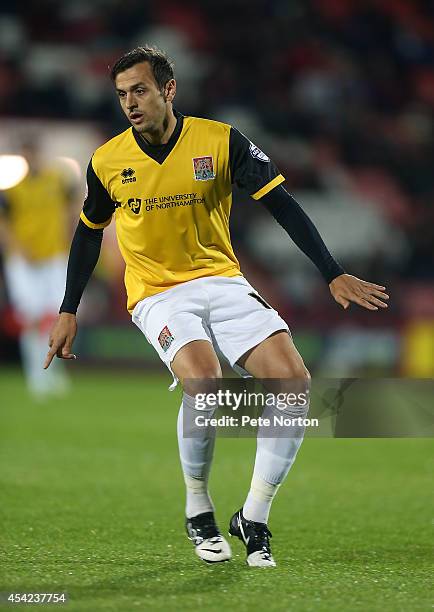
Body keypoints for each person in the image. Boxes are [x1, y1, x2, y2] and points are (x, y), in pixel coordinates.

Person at [44, 47, 389, 567]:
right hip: (157, 292)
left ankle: (254, 515)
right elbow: (88, 235)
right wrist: (68, 307)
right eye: (121, 95)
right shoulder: (107, 160)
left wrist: (331, 272)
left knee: (294, 384)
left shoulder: (220, 141)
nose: (130, 104)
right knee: (205, 383)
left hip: (222, 281)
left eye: (140, 90)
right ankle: (199, 508)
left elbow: (281, 204)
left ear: (169, 89)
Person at [0, 140, 75, 398]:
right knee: (31, 319)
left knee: (56, 318)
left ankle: (54, 373)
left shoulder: (57, 181)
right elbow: (3, 224)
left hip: (53, 256)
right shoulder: (12, 191)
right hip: (24, 262)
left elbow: (72, 208)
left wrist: (68, 237)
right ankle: (36, 376)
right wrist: (19, 249)